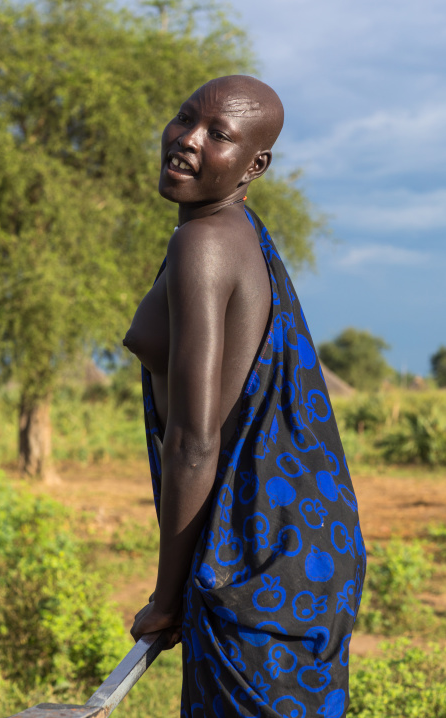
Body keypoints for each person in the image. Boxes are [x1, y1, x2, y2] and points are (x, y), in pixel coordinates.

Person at [123, 75, 365, 718]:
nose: (186, 140)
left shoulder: (203, 243)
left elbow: (196, 440)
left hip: (252, 567)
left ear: (255, 165)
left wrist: (167, 596)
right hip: (289, 555)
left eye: (217, 134)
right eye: (183, 119)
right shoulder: (236, 234)